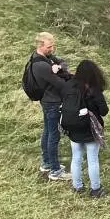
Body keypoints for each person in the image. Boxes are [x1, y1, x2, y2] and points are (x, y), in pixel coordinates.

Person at [62, 59, 110, 198]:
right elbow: (104, 111)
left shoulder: (69, 85)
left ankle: (77, 186)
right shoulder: (93, 89)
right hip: (90, 128)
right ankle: (95, 189)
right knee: (92, 159)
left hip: (73, 126)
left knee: (76, 157)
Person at [28, 32, 72, 181]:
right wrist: (60, 71)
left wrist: (58, 67)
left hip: (48, 101)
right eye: (49, 46)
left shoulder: (45, 58)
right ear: (40, 46)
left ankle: (46, 163)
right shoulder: (41, 65)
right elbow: (60, 83)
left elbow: (64, 63)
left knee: (47, 132)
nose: (52, 49)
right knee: (53, 135)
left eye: (53, 45)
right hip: (52, 103)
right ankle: (55, 170)